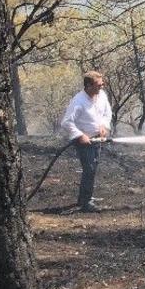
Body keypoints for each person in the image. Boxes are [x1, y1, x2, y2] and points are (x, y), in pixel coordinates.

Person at [60, 71, 112, 212]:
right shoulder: (78, 101)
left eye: (102, 84)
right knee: (89, 169)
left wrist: (103, 126)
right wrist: (79, 135)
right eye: (98, 85)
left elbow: (107, 114)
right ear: (88, 85)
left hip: (96, 139)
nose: (102, 87)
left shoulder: (101, 96)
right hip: (84, 141)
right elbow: (66, 122)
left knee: (93, 168)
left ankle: (86, 197)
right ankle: (85, 202)